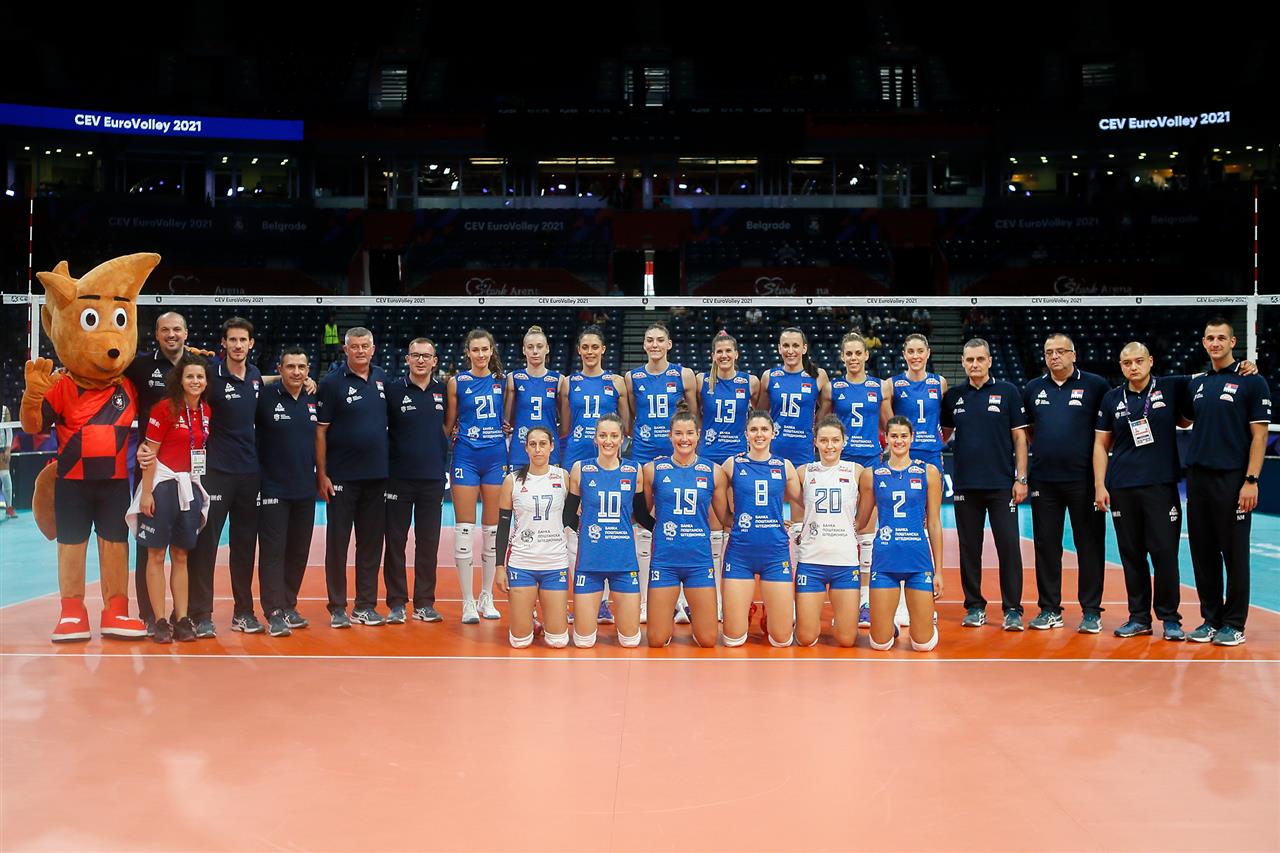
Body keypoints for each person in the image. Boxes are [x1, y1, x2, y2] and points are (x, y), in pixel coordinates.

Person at [1179, 319, 1270, 646]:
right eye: (1210, 338)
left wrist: (1251, 480)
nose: (1215, 343)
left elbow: (1260, 436)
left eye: (1221, 337)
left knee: (1234, 554)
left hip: (1232, 479)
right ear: (1204, 343)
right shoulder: (1198, 384)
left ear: (1233, 342)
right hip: (1198, 479)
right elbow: (1183, 419)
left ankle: (1234, 624)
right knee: (1202, 553)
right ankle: (1210, 620)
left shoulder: (1252, 381)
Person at [1093, 342, 1187, 640]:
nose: (1133, 367)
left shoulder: (1170, 388)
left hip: (1160, 487)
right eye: (1127, 363)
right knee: (1132, 555)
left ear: (1151, 361)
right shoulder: (1112, 398)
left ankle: (1170, 618)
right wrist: (1100, 485)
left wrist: (1242, 367)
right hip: (1122, 486)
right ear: (1121, 366)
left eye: (1138, 361)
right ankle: (1139, 618)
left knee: (1165, 553)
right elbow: (1100, 444)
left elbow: (1209, 378)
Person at [1021, 333, 1111, 633]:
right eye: (1049, 352)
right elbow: (1030, 430)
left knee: (1090, 546)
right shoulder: (1033, 388)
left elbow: (1106, 430)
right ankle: (1049, 609)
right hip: (1044, 480)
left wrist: (1099, 481)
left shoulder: (1096, 385)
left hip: (1083, 480)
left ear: (1074, 354)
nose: (1055, 356)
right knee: (1046, 546)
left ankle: (1091, 611)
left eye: (1061, 351)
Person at [940, 338, 1029, 631]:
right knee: (969, 549)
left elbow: (1020, 438)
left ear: (989, 361)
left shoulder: (1008, 391)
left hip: (1002, 485)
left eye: (980, 359)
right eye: (969, 360)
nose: (975, 364)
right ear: (963, 363)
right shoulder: (954, 396)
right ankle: (974, 606)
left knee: (1009, 547)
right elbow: (941, 436)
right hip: (966, 486)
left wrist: (1021, 478)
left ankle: (1012, 609)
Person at [188, 317, 264, 635]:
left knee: (244, 547)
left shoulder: (256, 376)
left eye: (242, 340)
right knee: (205, 546)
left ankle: (243, 612)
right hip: (216, 473)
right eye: (232, 339)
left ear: (251, 344)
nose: (237, 345)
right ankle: (200, 614)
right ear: (223, 343)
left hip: (249, 475)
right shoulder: (210, 376)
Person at [130, 355, 211, 644]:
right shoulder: (164, 408)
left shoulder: (205, 411)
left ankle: (182, 619)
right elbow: (149, 453)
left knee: (181, 555)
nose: (195, 381)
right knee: (155, 555)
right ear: (180, 380)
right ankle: (160, 620)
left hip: (189, 486)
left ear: (206, 382)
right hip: (162, 487)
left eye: (200, 377)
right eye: (190, 376)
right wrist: (146, 493)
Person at [123, 311, 193, 629]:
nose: (171, 335)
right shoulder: (140, 366)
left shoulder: (197, 366)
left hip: (188, 472)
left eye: (177, 329)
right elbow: (106, 374)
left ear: (186, 333)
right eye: (165, 330)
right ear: (156, 334)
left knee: (184, 547)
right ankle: (150, 616)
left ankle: (186, 614)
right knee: (148, 545)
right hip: (150, 468)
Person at [316, 326, 389, 628]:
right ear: (345, 350)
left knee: (370, 546)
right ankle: (337, 608)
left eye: (365, 346)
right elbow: (320, 431)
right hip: (342, 478)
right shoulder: (331, 383)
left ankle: (365, 606)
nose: (360, 351)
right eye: (354, 346)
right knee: (338, 545)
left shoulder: (383, 378)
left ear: (373, 349)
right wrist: (322, 474)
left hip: (377, 477)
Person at [626, 323, 698, 623]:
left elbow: (692, 416)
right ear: (644, 345)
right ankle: (645, 601)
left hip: (677, 453)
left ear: (669, 344)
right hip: (644, 455)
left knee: (679, 521)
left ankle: (681, 602)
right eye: (649, 340)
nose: (654, 345)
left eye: (659, 340)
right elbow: (632, 416)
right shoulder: (633, 377)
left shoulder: (683, 375)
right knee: (645, 523)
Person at [559, 325, 630, 622]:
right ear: (579, 350)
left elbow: (625, 424)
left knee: (604, 525)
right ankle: (574, 597)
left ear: (603, 349)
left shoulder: (616, 382)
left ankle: (601, 602)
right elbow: (565, 427)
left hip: (608, 458)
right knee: (571, 528)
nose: (589, 352)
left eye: (594, 347)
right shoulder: (569, 383)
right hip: (575, 458)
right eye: (585, 347)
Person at [855, 416, 944, 651]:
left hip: (918, 561)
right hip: (885, 561)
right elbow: (861, 521)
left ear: (912, 438)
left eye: (904, 436)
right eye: (894, 436)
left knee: (923, 644)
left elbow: (934, 523)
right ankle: (890, 627)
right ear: (886, 438)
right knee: (880, 643)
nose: (899, 440)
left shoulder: (928, 472)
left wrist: (939, 571)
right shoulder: (872, 474)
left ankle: (923, 625)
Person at [641, 409, 726, 648]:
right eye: (678, 433)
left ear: (698, 435)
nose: (684, 439)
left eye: (689, 433)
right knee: (656, 640)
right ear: (670, 436)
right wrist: (662, 530)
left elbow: (724, 518)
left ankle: (691, 610)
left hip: (698, 561)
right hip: (665, 561)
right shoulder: (653, 470)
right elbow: (642, 514)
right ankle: (666, 611)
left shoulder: (713, 471)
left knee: (708, 640)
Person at [880, 333, 947, 628]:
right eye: (911, 351)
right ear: (904, 354)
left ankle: (920, 597)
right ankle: (897, 600)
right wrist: (894, 444)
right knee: (898, 524)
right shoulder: (893, 384)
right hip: (901, 455)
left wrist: (937, 442)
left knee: (927, 522)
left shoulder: (939, 383)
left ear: (928, 353)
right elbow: (888, 420)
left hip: (930, 457)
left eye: (920, 351)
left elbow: (945, 422)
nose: (916, 356)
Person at [720, 411, 803, 648]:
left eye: (764, 429)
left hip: (775, 554)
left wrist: (793, 523)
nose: (759, 434)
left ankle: (770, 610)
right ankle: (747, 607)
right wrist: (729, 521)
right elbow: (717, 497)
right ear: (746, 434)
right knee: (733, 640)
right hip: (740, 554)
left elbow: (803, 501)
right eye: (754, 430)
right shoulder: (732, 464)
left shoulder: (784, 466)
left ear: (773, 434)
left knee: (782, 640)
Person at [383, 338, 450, 625]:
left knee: (428, 544)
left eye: (426, 356)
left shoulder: (444, 391)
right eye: (415, 355)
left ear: (435, 361)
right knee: (395, 543)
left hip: (432, 479)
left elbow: (449, 426)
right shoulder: (393, 390)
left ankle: (424, 603)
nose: (420, 360)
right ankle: (397, 603)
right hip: (398, 478)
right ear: (407, 359)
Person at [445, 328, 509, 624]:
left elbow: (509, 417)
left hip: (495, 457)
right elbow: (449, 423)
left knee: (492, 531)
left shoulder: (503, 381)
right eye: (475, 350)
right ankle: (467, 601)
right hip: (466, 456)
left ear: (491, 351)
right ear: (467, 353)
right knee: (464, 530)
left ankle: (487, 596)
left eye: (485, 349)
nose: (481, 354)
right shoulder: (457, 382)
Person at [254, 347, 318, 637]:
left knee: (298, 550)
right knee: (272, 552)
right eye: (290, 366)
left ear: (308, 370)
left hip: (305, 488)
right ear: (279, 369)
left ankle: (289, 604)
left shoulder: (313, 397)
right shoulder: (265, 396)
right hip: (273, 488)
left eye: (301, 367)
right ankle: (274, 611)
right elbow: (251, 380)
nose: (296, 372)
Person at [820, 331, 882, 627]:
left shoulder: (879, 387)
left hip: (869, 461)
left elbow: (889, 422)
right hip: (840, 462)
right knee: (839, 528)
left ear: (866, 355)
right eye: (849, 353)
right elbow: (824, 423)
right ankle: (843, 602)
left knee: (866, 531)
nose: (854, 358)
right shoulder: (833, 388)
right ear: (842, 356)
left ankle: (866, 601)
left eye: (859, 353)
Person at [565, 413, 643, 648]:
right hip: (590, 563)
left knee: (630, 641)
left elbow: (640, 515)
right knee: (583, 641)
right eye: (603, 435)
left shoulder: (634, 470)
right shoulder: (581, 469)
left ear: (622, 439)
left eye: (614, 436)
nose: (608, 441)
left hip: (623, 563)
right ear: (595, 439)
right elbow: (568, 516)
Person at [696, 330, 757, 618]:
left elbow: (760, 414)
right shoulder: (702, 382)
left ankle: (734, 592)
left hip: (738, 458)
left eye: (728, 351)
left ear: (736, 354)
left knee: (734, 523)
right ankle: (713, 598)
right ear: (713, 355)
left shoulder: (750, 382)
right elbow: (696, 414)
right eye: (719, 351)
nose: (723, 355)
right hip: (709, 456)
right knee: (712, 527)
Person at [495, 427, 571, 649]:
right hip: (522, 563)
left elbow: (572, 518)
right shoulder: (512, 481)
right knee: (520, 642)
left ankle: (545, 616)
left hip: (554, 563)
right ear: (526, 448)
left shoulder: (563, 477)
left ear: (551, 447)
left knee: (558, 641)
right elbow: (502, 527)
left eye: (543, 444)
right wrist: (500, 567)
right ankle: (529, 618)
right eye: (533, 444)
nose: (538, 449)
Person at [794, 417, 864, 648]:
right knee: (805, 639)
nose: (829, 446)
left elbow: (873, 503)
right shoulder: (804, 472)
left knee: (846, 640)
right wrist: (795, 527)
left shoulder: (856, 471)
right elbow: (782, 495)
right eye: (823, 440)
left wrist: (857, 525)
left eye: (835, 440)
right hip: (811, 562)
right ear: (815, 442)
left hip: (845, 562)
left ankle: (846, 621)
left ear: (844, 442)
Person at [757, 327, 829, 469]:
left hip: (804, 451)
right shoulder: (769, 376)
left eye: (795, 345)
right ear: (779, 348)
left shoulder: (818, 376)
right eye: (786, 345)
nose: (790, 351)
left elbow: (827, 410)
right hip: (774, 451)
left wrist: (814, 429)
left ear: (804, 348)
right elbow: (760, 415)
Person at [505, 325, 561, 471]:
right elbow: (507, 420)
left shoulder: (558, 380)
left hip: (549, 448)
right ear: (524, 350)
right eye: (530, 347)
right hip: (520, 447)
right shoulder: (513, 378)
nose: (535, 351)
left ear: (547, 349)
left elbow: (565, 422)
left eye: (539, 346)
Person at [0, 404, 14, 519]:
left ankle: (9, 507)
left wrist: (8, 448)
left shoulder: (4, 410)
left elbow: (9, 430)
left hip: (1, 447)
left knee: (5, 475)